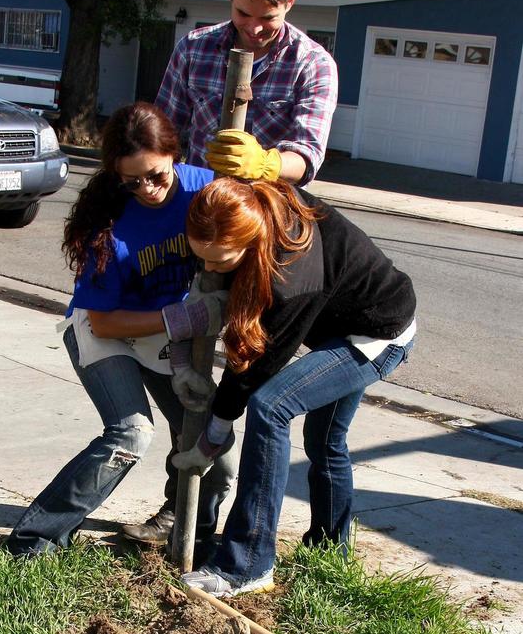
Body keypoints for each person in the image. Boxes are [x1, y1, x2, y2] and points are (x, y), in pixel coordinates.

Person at [6, 103, 236, 558]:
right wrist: (179, 320)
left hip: (169, 335)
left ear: (175, 155)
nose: (147, 190)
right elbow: (103, 320)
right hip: (104, 330)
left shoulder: (207, 191)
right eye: (132, 181)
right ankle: (36, 538)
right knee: (131, 432)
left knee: (219, 447)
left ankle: (185, 528)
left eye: (156, 175)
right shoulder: (109, 224)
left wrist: (189, 340)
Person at [171, 177, 416, 597]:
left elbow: (253, 368)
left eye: (219, 261)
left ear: (251, 242)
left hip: (378, 334)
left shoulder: (291, 279)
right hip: (343, 327)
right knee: (325, 440)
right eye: (201, 259)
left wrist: (214, 435)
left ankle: (246, 566)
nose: (209, 270)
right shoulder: (257, 203)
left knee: (271, 407)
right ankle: (331, 552)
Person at [155, 0, 338, 186]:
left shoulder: (312, 64)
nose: (254, 28)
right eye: (243, 14)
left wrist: (265, 163)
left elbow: (307, 155)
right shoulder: (193, 48)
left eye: (267, 17)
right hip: (200, 204)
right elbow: (163, 135)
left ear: (290, 0)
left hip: (269, 213)